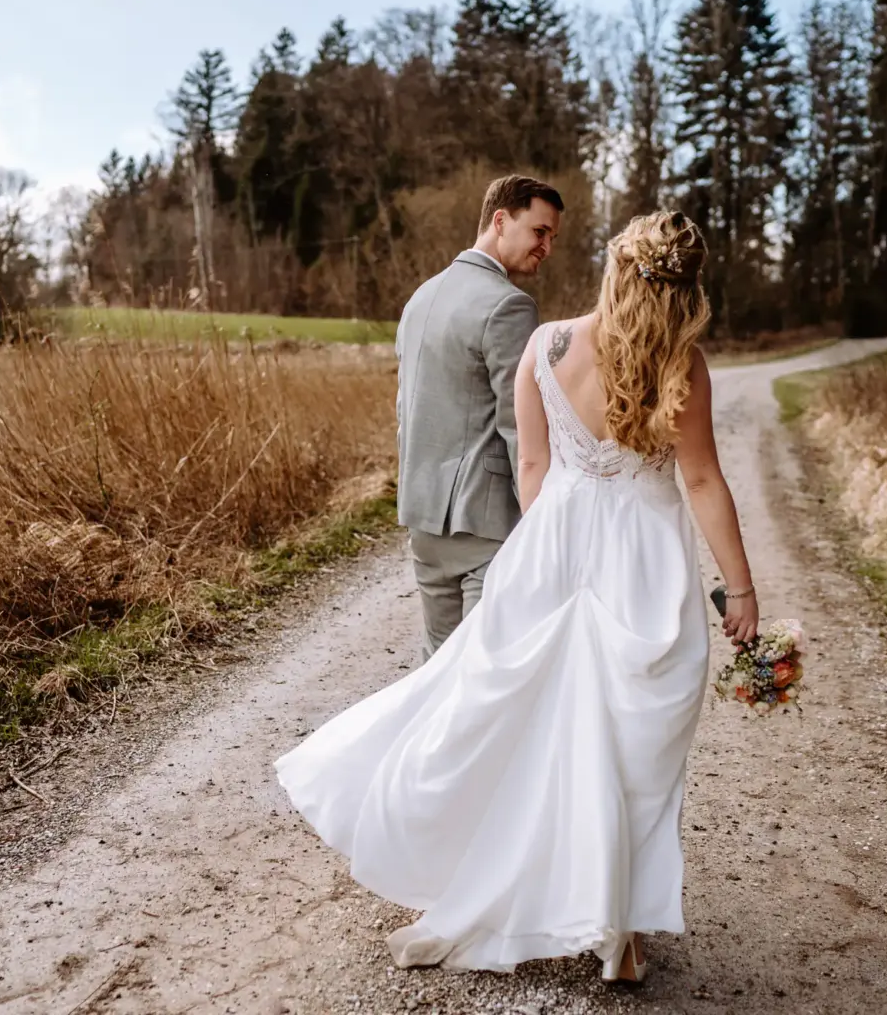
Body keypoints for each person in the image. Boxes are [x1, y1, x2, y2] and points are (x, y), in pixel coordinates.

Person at [275, 211, 759, 984]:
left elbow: (531, 468)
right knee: (634, 743)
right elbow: (700, 479)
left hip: (551, 549)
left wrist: (549, 552)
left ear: (615, 268)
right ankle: (621, 930)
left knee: (516, 721)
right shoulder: (684, 366)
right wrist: (740, 588)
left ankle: (523, 882)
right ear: (687, 290)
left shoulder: (547, 346)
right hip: (643, 562)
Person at [395, 174, 564, 660]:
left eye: (552, 236)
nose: (547, 247)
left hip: (423, 516)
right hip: (486, 523)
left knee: (437, 671)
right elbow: (521, 429)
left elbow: (406, 409)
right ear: (500, 220)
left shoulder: (420, 297)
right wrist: (542, 522)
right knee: (482, 672)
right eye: (539, 231)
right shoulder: (510, 305)